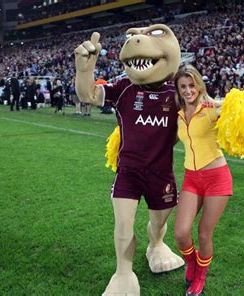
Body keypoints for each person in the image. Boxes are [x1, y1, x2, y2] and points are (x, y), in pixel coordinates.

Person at [74, 26, 183, 295]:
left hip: (161, 172)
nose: (136, 39)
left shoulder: (178, 92)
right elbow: (88, 95)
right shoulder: (124, 87)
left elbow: (205, 108)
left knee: (158, 222)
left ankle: (156, 244)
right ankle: (123, 272)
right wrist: (84, 71)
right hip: (129, 171)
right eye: (132, 35)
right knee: (123, 225)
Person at [173, 65, 233, 295]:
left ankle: (200, 276)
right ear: (178, 90)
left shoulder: (212, 108)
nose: (188, 91)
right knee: (180, 233)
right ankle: (191, 262)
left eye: (192, 85)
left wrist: (222, 105)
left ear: (199, 85)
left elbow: (242, 109)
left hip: (217, 178)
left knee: (204, 233)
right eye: (183, 87)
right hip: (191, 177)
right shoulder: (178, 113)